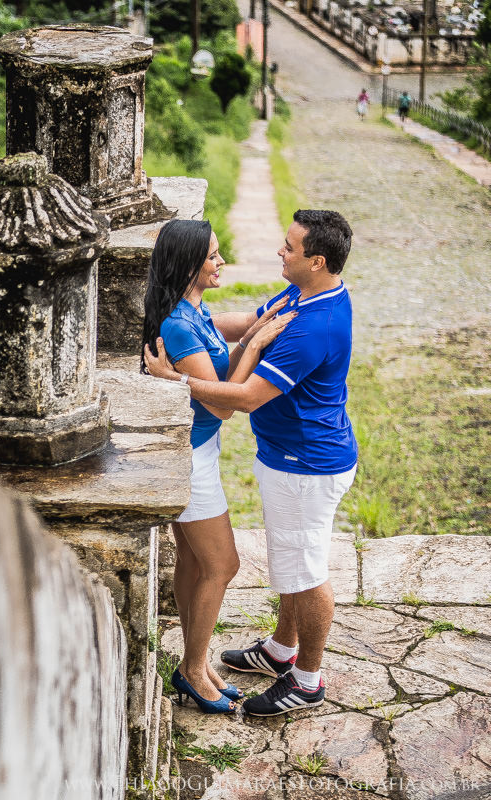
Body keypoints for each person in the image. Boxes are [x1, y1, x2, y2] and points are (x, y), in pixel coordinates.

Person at [144, 209, 358, 718]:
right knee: (242, 562)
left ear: (317, 261)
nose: (279, 252)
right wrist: (230, 334)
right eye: (214, 255)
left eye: (290, 247)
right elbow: (242, 324)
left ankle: (305, 680)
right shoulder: (302, 294)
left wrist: (178, 376)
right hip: (273, 455)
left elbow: (238, 400)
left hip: (304, 463)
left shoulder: (314, 325)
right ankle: (272, 652)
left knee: (302, 572)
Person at [140, 219, 294, 714]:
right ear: (189, 265)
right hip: (191, 460)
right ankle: (192, 670)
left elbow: (231, 340)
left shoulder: (194, 310)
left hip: (199, 449)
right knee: (223, 565)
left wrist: (263, 324)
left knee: (193, 562)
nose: (221, 261)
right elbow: (221, 406)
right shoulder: (178, 325)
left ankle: (196, 663)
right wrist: (255, 345)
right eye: (212, 255)